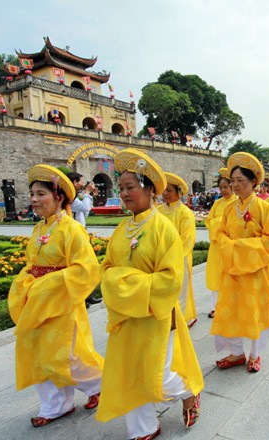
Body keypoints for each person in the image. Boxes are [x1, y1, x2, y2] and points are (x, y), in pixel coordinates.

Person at [96, 148, 203, 439]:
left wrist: (124, 283)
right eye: (121, 188)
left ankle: (189, 391)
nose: (124, 193)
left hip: (156, 313)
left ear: (149, 189)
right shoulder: (122, 229)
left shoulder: (162, 228)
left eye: (130, 187)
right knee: (130, 371)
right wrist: (121, 284)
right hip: (126, 314)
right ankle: (143, 427)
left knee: (159, 375)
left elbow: (170, 278)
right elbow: (106, 269)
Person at [8, 164, 103, 428]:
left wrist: (49, 282)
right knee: (40, 354)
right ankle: (55, 404)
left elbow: (86, 269)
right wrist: (27, 281)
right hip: (38, 302)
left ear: (58, 196)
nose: (35, 200)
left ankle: (99, 384)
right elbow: (32, 262)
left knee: (66, 355)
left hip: (62, 303)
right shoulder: (39, 229)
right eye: (33, 194)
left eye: (41, 194)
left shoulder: (72, 229)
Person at [211, 152, 269, 374]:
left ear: (254, 182)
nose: (235, 185)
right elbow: (221, 234)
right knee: (230, 311)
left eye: (240, 181)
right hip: (233, 270)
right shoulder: (229, 209)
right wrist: (231, 248)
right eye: (233, 181)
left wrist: (241, 247)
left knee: (254, 312)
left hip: (255, 271)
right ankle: (236, 352)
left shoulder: (264, 208)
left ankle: (254, 354)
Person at [159, 172, 198, 327]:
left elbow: (188, 238)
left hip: (179, 257)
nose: (165, 194)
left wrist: (173, 256)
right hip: (161, 257)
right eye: (164, 190)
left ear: (178, 193)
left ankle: (181, 320)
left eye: (169, 190)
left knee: (180, 289)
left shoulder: (184, 212)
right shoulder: (159, 211)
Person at [65, 171, 101, 307]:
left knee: (88, 266)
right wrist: (86, 192)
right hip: (73, 234)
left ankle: (88, 295)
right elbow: (84, 206)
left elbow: (85, 212)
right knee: (78, 267)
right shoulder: (68, 197)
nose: (82, 183)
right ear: (74, 182)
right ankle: (82, 298)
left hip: (81, 232)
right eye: (80, 181)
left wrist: (88, 195)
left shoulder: (76, 196)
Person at [204, 168, 237, 319]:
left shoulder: (237, 203)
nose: (224, 190)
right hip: (216, 246)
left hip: (230, 246)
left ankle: (230, 306)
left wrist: (220, 225)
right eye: (221, 187)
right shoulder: (217, 204)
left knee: (229, 276)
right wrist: (219, 224)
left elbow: (233, 224)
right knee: (215, 275)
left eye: (226, 187)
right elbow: (209, 221)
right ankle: (215, 307)